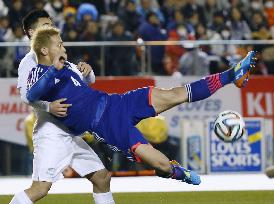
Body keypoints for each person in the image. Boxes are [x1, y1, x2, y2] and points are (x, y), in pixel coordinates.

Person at [28, 26, 257, 186]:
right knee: (163, 165)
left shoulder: (65, 65)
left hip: (115, 102)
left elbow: (86, 87)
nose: (63, 48)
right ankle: (170, 171)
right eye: (59, 45)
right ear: (45, 50)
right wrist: (51, 78)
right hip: (108, 127)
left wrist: (87, 73)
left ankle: (231, 75)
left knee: (177, 94)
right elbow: (31, 95)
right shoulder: (40, 72)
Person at [9, 10, 115, 204]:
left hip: (71, 132)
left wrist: (88, 73)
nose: (51, 28)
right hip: (51, 132)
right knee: (40, 189)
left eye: (51, 24)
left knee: (102, 178)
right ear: (32, 32)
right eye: (45, 25)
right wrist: (48, 107)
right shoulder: (29, 61)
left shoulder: (59, 54)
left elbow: (84, 83)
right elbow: (26, 95)